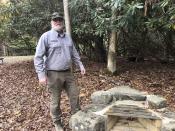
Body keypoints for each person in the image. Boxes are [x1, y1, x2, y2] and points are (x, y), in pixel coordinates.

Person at [34, 12, 86, 131]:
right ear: (51, 23)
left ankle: (76, 117)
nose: (57, 22)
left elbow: (74, 53)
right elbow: (38, 57)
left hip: (68, 73)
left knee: (74, 95)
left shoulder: (68, 37)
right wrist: (41, 75)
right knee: (55, 101)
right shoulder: (45, 37)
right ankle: (57, 123)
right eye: (55, 20)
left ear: (62, 22)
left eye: (59, 20)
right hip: (53, 74)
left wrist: (80, 65)